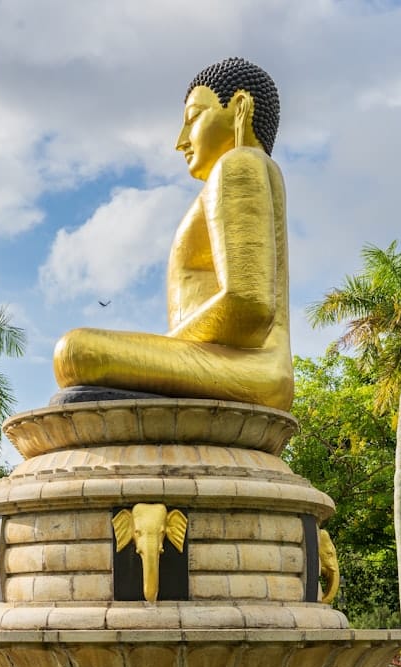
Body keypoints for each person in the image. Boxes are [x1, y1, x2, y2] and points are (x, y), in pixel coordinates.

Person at [53, 58, 293, 411]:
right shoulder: (253, 169)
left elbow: (249, 306)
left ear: (240, 107)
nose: (181, 141)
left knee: (74, 351)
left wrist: (160, 349)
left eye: (193, 118)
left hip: (249, 366)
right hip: (237, 365)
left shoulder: (238, 163)